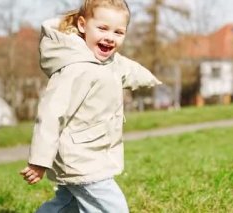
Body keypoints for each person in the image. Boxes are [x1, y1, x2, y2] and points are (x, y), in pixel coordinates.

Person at [19, 0, 160, 212]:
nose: (110, 37)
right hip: (81, 158)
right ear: (83, 25)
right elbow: (51, 115)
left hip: (92, 153)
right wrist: (40, 160)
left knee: (69, 205)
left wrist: (151, 79)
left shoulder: (107, 60)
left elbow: (126, 69)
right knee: (113, 208)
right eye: (102, 28)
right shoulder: (75, 69)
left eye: (118, 32)